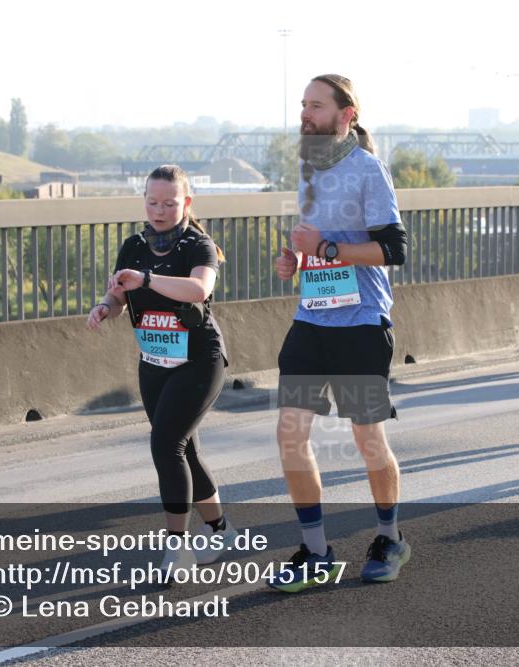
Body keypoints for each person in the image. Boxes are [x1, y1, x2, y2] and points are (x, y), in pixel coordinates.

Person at [268, 74, 409, 592]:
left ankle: (389, 537)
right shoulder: (308, 169)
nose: (305, 114)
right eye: (303, 105)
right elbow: (313, 247)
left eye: (316, 106)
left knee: (367, 437)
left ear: (346, 115)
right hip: (311, 320)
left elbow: (393, 250)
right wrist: (294, 260)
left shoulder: (369, 170)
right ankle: (316, 550)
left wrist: (326, 248)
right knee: (290, 434)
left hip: (360, 323)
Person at [87, 164, 237, 571]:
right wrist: (106, 306)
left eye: (169, 203)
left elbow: (198, 289)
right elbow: (119, 294)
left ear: (186, 203)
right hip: (154, 362)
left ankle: (177, 545)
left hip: (198, 360)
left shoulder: (197, 245)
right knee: (184, 449)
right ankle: (219, 527)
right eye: (152, 202)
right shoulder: (133, 246)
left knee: (165, 445)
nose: (159, 210)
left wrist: (148, 279)